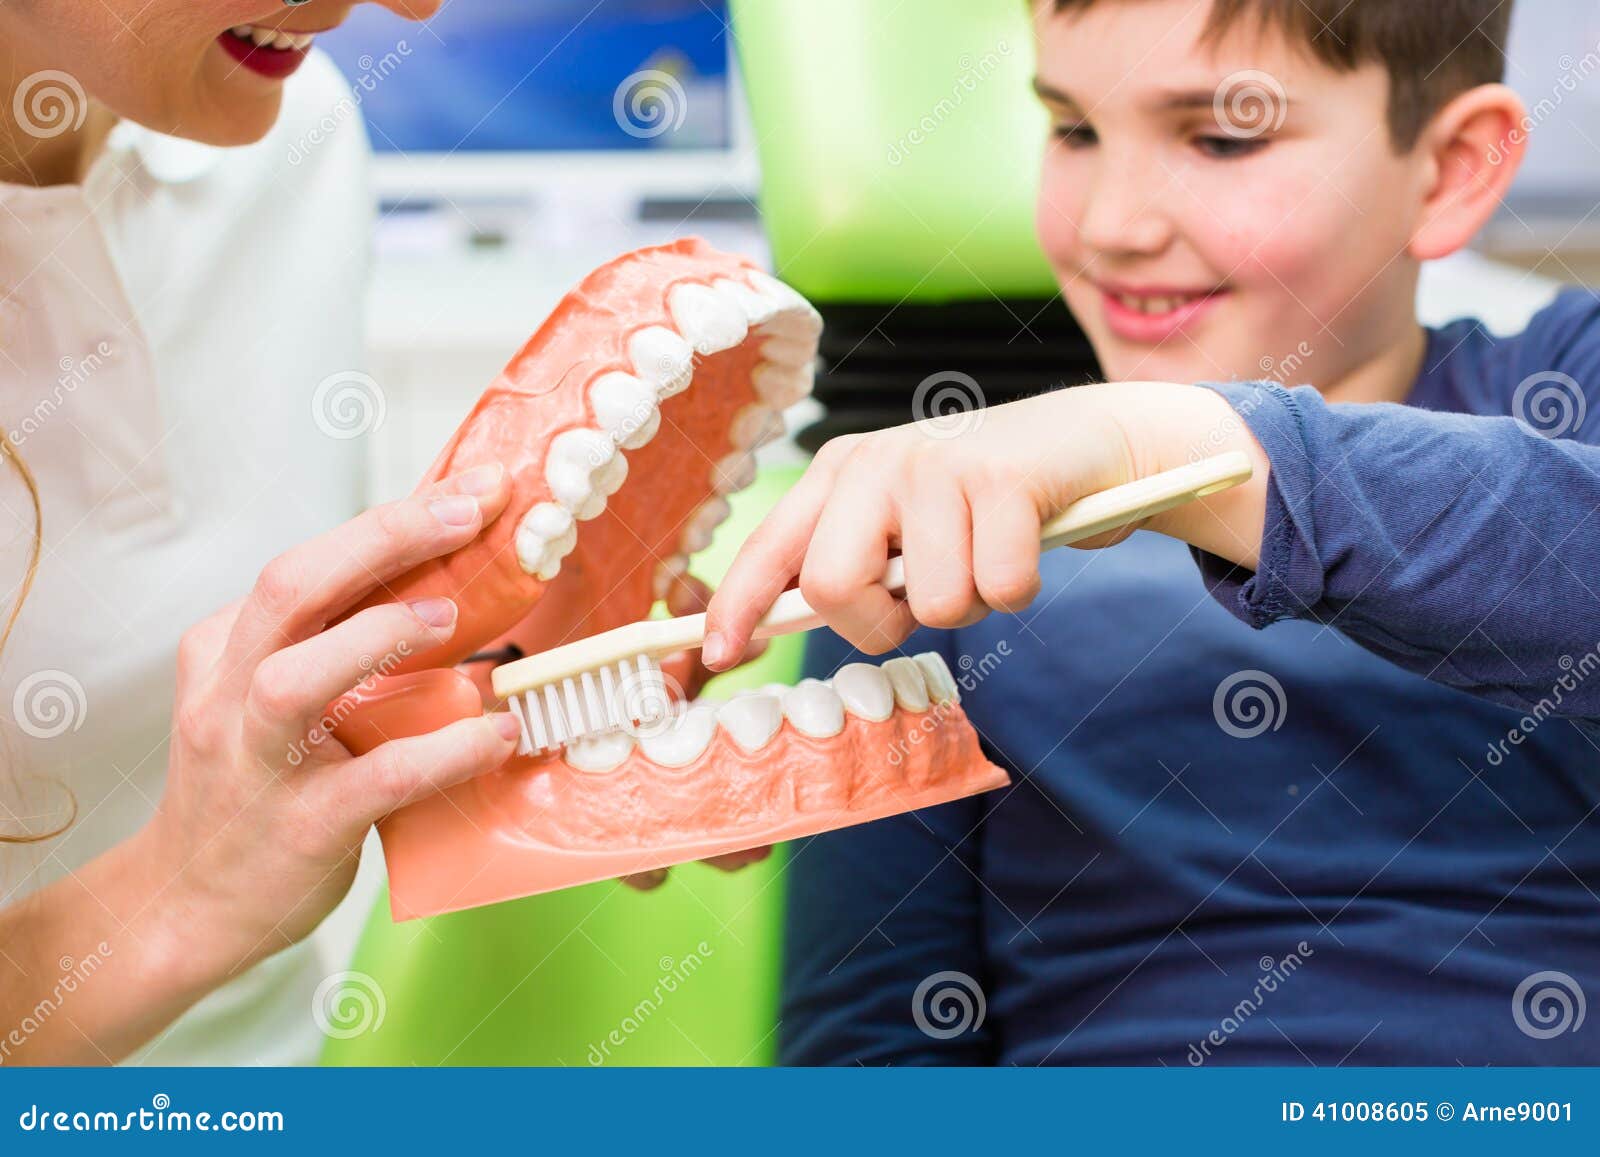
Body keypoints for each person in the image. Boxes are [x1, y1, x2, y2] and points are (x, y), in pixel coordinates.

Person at [705, 0, 1600, 1064]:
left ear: (1450, 169)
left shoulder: (1564, 386)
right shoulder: (929, 541)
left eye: (1221, 136)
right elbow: (866, 1052)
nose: (1111, 225)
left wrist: (1169, 446)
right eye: (1074, 129)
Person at [0, 1, 745, 1067]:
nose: (409, 5)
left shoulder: (281, 129)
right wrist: (176, 895)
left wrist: (500, 681)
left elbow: (270, 725)